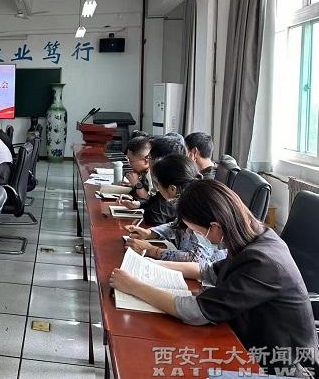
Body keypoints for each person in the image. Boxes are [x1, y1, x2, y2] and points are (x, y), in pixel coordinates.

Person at [110, 180, 319, 377]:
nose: (198, 236)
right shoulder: (254, 237)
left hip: (279, 365)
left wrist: (134, 286)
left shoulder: (263, 262)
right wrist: (149, 265)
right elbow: (208, 271)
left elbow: (196, 311)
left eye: (197, 231)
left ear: (215, 226)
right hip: (248, 339)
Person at [123, 154, 226, 264]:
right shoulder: (188, 202)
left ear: (172, 189)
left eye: (158, 185)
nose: (157, 189)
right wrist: (150, 233)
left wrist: (152, 251)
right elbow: (177, 225)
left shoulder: (197, 210)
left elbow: (197, 259)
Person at [118, 135, 187, 225]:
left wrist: (138, 186)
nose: (148, 161)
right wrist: (139, 204)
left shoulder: (170, 192)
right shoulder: (174, 182)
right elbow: (155, 199)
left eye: (149, 157)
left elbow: (153, 219)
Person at [124, 136, 152, 200]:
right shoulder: (144, 171)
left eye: (131, 160)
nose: (129, 164)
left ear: (146, 160)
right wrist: (133, 185)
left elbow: (151, 201)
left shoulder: (153, 174)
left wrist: (137, 184)